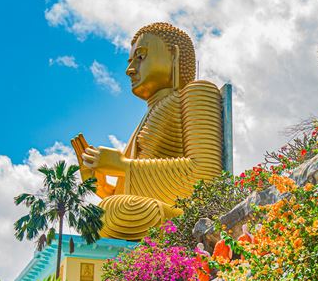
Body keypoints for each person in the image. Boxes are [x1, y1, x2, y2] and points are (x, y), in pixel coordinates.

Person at [76, 22, 224, 240]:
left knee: (113, 211)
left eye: (141, 57)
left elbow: (206, 176)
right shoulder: (145, 118)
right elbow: (135, 189)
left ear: (173, 55)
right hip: (146, 208)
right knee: (101, 212)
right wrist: (100, 185)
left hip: (185, 216)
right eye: (130, 61)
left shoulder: (195, 93)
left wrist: (122, 165)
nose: (130, 69)